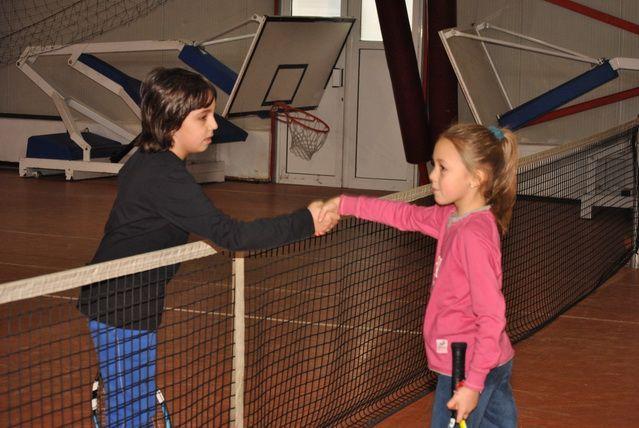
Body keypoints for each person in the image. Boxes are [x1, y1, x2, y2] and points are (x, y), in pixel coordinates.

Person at [77, 67, 338, 427]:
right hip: (119, 305)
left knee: (136, 410)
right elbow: (233, 236)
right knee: (130, 417)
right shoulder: (163, 175)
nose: (214, 125)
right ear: (172, 121)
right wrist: (306, 222)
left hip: (134, 300)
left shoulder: (148, 161)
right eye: (203, 117)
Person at [319, 123, 519, 427]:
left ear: (476, 178)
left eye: (443, 168)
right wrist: (344, 204)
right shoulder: (454, 218)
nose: (433, 176)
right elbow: (404, 215)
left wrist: (472, 384)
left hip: (465, 367)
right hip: (493, 360)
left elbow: (491, 315)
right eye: (433, 165)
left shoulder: (471, 235)